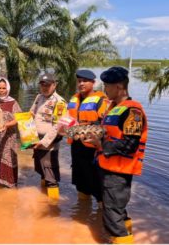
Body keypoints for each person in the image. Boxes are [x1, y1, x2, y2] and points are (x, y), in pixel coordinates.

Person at [86, 66, 148, 244]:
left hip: (119, 172)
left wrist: (100, 144)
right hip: (106, 166)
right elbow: (109, 132)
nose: (104, 90)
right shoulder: (113, 108)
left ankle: (122, 238)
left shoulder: (133, 111)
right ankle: (128, 232)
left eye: (107, 86)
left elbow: (130, 145)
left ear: (119, 86)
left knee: (112, 217)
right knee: (117, 211)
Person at [67, 69, 108, 204]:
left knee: (96, 182)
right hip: (76, 146)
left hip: (92, 148)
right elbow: (67, 121)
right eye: (79, 81)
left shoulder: (101, 100)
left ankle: (102, 213)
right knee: (80, 181)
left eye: (85, 81)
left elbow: (104, 125)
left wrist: (79, 131)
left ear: (93, 83)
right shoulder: (74, 99)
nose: (81, 84)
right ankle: (82, 212)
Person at [30, 73, 67, 199]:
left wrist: (44, 142)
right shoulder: (39, 97)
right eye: (42, 85)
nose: (45, 87)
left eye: (48, 85)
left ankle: (53, 205)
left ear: (54, 85)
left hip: (49, 144)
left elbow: (57, 126)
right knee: (41, 170)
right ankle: (42, 198)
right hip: (36, 140)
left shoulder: (59, 102)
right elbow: (32, 113)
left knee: (50, 174)